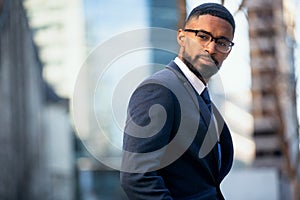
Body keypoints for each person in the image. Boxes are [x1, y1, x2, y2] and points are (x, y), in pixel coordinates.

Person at [120, 3, 235, 200]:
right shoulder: (159, 89)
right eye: (203, 36)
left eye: (222, 42)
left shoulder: (201, 97)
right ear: (182, 37)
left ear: (228, 51)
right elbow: (137, 177)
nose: (211, 47)